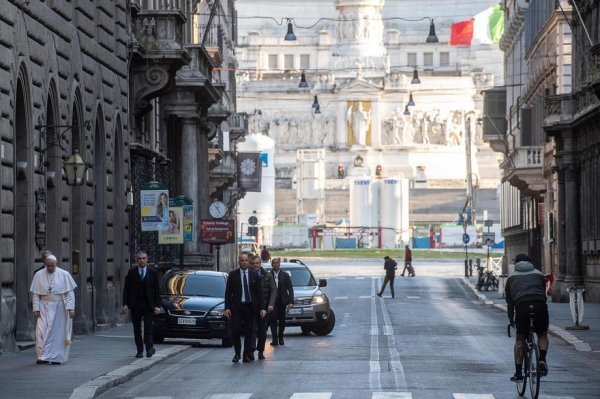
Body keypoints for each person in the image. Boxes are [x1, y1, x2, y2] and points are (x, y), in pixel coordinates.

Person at [505, 254, 549, 382]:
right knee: (542, 334)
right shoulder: (539, 274)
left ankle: (518, 373)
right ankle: (542, 359)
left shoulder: (511, 278)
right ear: (531, 263)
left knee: (520, 338)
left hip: (522, 307)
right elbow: (543, 293)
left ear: (516, 264)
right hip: (540, 305)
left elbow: (510, 302)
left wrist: (511, 319)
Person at [30, 254, 77, 364]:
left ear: (56, 264)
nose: (50, 268)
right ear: (45, 265)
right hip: (43, 306)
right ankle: (42, 356)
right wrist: (36, 307)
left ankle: (56, 357)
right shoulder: (38, 275)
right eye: (48, 266)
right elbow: (36, 293)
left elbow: (70, 293)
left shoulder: (64, 274)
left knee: (57, 333)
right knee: (40, 331)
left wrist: (71, 308)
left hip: (59, 307)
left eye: (52, 266)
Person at [224, 253, 265, 363]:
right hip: (237, 307)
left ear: (248, 262)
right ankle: (237, 354)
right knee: (236, 329)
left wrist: (262, 308)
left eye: (246, 260)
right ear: (239, 261)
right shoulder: (233, 275)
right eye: (242, 260)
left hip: (250, 307)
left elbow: (260, 293)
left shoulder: (254, 275)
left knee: (249, 332)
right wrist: (227, 308)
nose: (244, 262)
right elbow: (228, 293)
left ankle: (246, 354)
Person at [122, 251, 161, 358]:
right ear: (136, 260)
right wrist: (125, 304)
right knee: (137, 329)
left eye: (143, 258)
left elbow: (157, 290)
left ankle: (149, 349)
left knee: (149, 328)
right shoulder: (132, 272)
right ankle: (139, 351)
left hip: (149, 305)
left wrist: (158, 306)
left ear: (147, 259)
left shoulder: (153, 272)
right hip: (135, 305)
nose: (141, 260)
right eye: (139, 258)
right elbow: (126, 289)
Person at [250, 255, 277, 360]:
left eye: (257, 263)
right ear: (251, 264)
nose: (255, 265)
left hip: (264, 308)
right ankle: (251, 350)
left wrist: (271, 304)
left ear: (260, 263)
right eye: (253, 264)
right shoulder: (248, 275)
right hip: (251, 308)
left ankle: (260, 351)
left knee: (262, 331)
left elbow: (274, 290)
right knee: (252, 330)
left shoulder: (267, 275)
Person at [269, 257, 294, 346]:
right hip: (272, 301)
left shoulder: (285, 275)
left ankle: (281, 337)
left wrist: (291, 301)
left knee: (282, 320)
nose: (275, 264)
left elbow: (290, 288)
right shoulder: (268, 275)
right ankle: (275, 339)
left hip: (282, 301)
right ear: (272, 264)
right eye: (274, 263)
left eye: (277, 263)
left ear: (279, 264)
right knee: (273, 320)